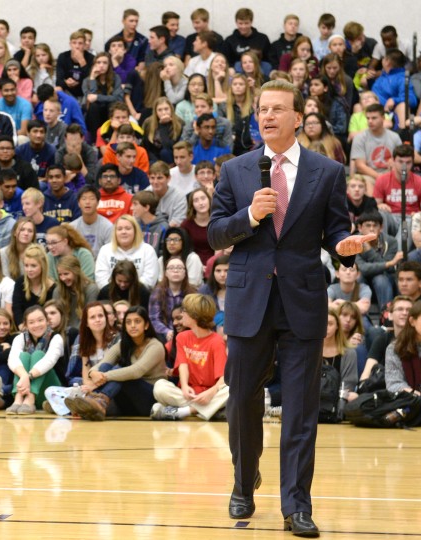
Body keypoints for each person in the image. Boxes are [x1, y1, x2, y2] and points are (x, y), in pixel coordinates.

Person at [208, 80, 373, 535]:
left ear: (298, 117)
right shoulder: (236, 170)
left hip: (301, 301)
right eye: (262, 109)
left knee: (300, 409)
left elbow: (337, 235)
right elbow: (216, 233)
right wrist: (249, 217)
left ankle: (297, 505)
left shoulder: (328, 171)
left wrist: (347, 247)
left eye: (278, 109)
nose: (268, 116)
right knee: (242, 401)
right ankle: (244, 483)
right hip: (248, 302)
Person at [67, 306, 166, 420]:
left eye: (137, 321)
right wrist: (93, 372)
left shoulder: (155, 346)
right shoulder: (123, 344)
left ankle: (99, 401)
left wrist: (103, 377)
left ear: (146, 325)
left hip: (150, 400)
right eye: (128, 322)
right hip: (130, 402)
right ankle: (87, 405)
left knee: (121, 371)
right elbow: (104, 363)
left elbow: (136, 371)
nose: (132, 325)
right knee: (107, 367)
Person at [151, 293, 228, 421]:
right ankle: (211, 411)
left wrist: (211, 393)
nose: (182, 314)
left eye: (185, 311)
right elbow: (183, 365)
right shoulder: (182, 337)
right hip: (187, 394)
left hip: (208, 394)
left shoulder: (216, 341)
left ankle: (183, 412)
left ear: (195, 316)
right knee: (159, 386)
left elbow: (223, 378)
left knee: (230, 390)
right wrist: (185, 386)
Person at [95, 215, 159, 289]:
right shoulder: (105, 250)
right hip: (111, 295)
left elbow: (149, 280)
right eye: (119, 229)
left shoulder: (148, 250)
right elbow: (101, 279)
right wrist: (117, 290)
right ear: (115, 232)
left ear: (135, 231)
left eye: (128, 228)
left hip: (139, 294)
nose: (123, 232)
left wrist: (129, 289)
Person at [149, 256, 196, 342]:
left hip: (188, 335)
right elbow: (154, 319)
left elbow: (195, 318)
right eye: (171, 268)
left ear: (185, 273)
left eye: (179, 268)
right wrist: (167, 332)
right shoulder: (157, 292)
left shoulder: (193, 294)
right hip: (163, 336)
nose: (175, 270)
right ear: (165, 273)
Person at [12, 244, 56, 327]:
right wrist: (22, 326)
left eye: (33, 266)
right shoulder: (20, 282)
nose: (29, 270)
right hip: (24, 328)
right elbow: (17, 309)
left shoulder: (53, 288)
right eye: (26, 265)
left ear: (43, 266)